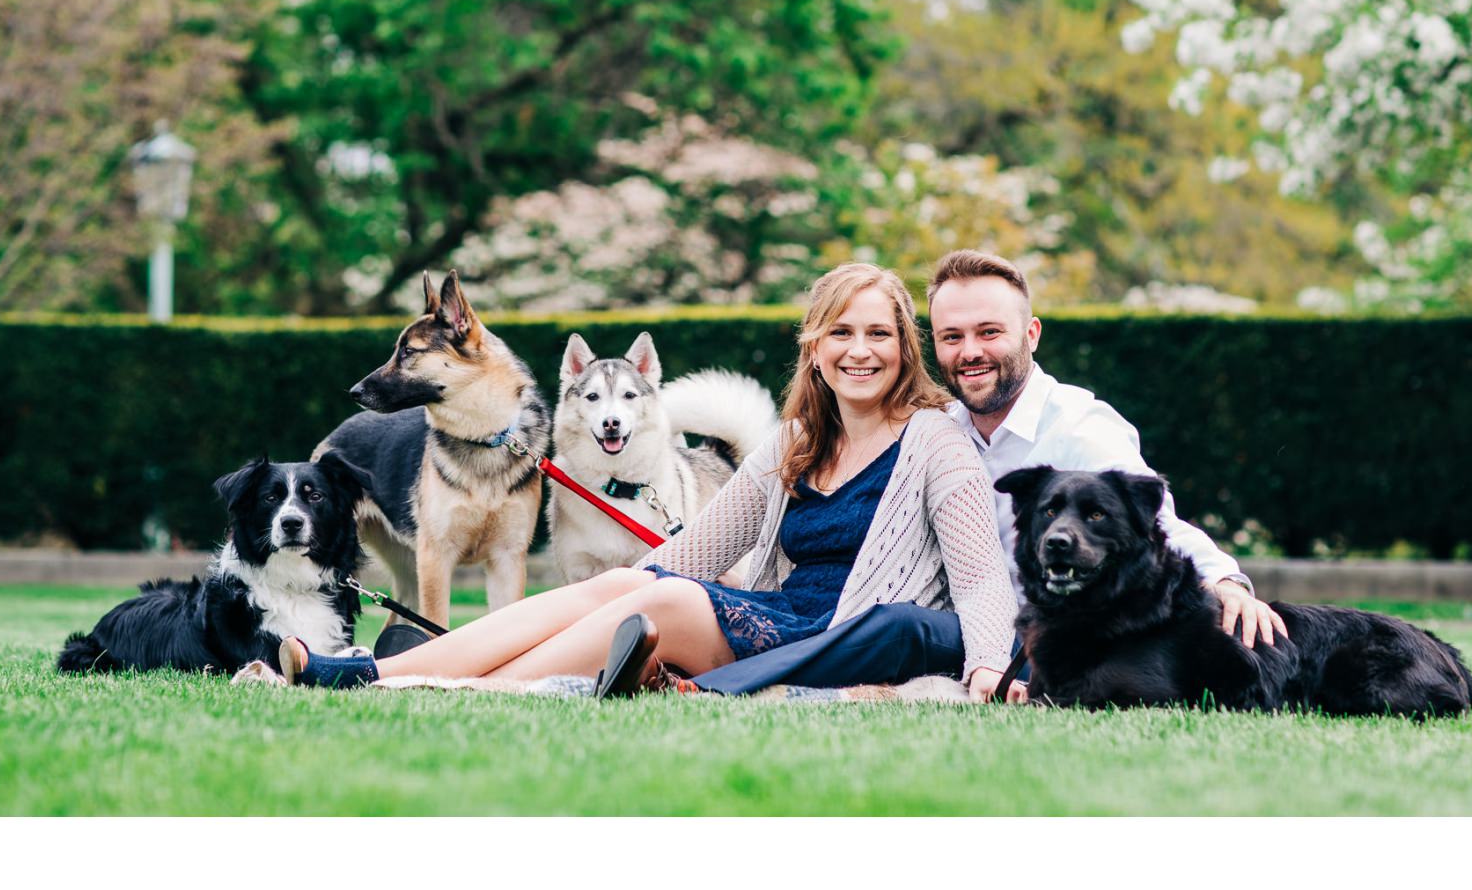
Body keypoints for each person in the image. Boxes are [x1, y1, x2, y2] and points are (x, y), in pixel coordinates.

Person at [275, 263, 1020, 700]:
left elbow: (983, 578)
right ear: (815, 348)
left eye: (879, 334)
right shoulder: (796, 443)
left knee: (655, 592)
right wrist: (615, 590)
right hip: (778, 617)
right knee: (629, 583)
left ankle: (446, 691)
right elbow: (697, 547)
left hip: (839, 638)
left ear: (904, 347)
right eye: (841, 333)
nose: (860, 351)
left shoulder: (935, 440)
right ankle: (372, 669)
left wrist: (989, 666)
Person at [684, 248, 1287, 699]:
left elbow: (1157, 524)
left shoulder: (1079, 428)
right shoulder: (941, 426)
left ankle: (716, 686)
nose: (970, 351)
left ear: (1030, 334)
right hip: (967, 624)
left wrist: (1226, 582)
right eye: (952, 336)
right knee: (886, 621)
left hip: (1050, 640)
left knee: (898, 627)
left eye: (989, 333)